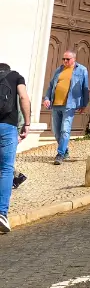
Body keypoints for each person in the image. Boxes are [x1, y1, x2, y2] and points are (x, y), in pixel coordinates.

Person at [42, 48, 90, 165]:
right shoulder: (59, 70)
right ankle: (65, 150)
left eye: (67, 59)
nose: (65, 61)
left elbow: (85, 88)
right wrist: (47, 98)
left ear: (74, 59)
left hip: (70, 104)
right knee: (56, 131)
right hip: (56, 104)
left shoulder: (82, 70)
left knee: (65, 129)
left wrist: (84, 104)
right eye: (63, 59)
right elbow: (51, 85)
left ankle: (60, 154)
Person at [0, 62, 31, 233]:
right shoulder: (15, 76)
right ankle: (1, 213)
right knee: (6, 169)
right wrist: (26, 123)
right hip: (7, 127)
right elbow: (24, 97)